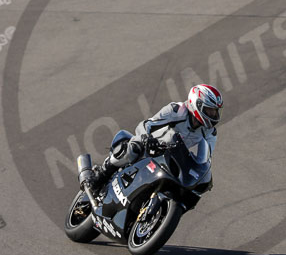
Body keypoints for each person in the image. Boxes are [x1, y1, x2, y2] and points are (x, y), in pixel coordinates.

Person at [86, 83, 223, 194]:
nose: (214, 115)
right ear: (197, 104)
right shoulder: (177, 111)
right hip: (151, 145)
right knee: (133, 148)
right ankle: (102, 174)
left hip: (173, 156)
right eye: (210, 111)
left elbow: (205, 160)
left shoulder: (210, 133)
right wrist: (147, 138)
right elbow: (147, 124)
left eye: (216, 111)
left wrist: (205, 178)